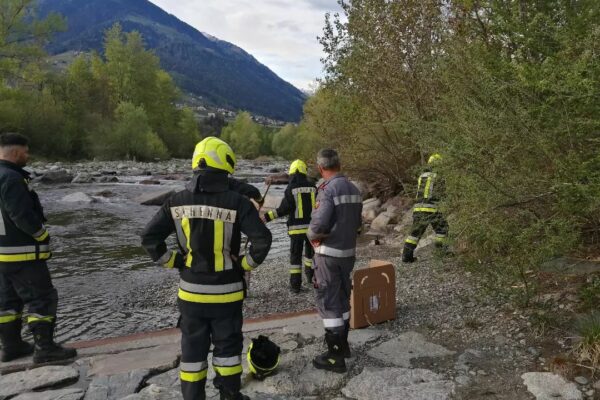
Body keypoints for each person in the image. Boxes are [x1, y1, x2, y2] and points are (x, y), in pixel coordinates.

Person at [141, 137, 272, 400]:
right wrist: (244, 265)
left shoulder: (175, 201)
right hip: (227, 293)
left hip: (190, 294)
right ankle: (229, 395)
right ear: (226, 164)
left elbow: (149, 239)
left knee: (192, 352)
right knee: (228, 350)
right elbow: (263, 240)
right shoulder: (238, 202)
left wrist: (176, 262)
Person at [0, 132, 77, 364]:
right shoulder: (12, 179)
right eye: (25, 152)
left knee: (7, 302)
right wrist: (42, 235)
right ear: (15, 152)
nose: (28, 155)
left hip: (2, 255)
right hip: (21, 253)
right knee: (42, 298)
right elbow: (21, 215)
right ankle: (45, 349)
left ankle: (11, 346)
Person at [307, 149, 362, 373]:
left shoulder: (327, 190)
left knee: (329, 302)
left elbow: (318, 225)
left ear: (321, 168)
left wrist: (311, 238)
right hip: (348, 254)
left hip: (328, 254)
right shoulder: (354, 189)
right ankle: (344, 345)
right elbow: (358, 225)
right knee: (342, 298)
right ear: (339, 164)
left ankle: (335, 356)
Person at [262, 159, 316, 293]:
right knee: (310, 255)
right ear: (304, 172)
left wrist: (266, 217)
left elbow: (284, 209)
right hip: (312, 229)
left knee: (295, 258)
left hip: (296, 230)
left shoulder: (291, 189)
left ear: (291, 173)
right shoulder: (314, 187)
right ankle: (311, 278)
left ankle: (295, 286)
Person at [402, 153, 449, 263]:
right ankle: (440, 252)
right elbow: (442, 194)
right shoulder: (439, 177)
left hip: (419, 209)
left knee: (414, 234)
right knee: (442, 229)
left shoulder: (422, 176)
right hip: (432, 210)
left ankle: (406, 256)